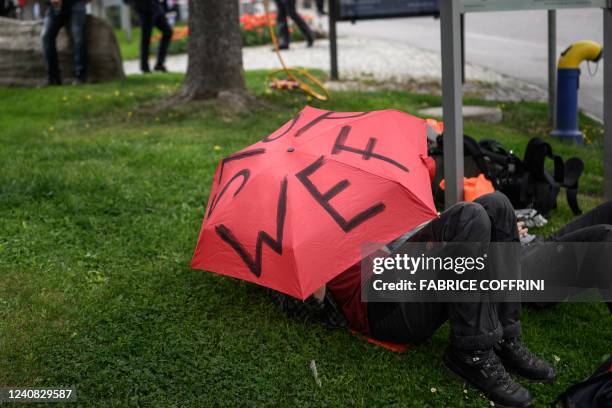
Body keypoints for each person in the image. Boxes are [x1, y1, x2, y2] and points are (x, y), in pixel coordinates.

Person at [41, 0, 88, 85]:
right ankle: (53, 77)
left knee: (78, 36)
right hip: (55, 6)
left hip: (76, 3)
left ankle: (81, 75)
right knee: (46, 35)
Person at [130, 0, 172, 73]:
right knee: (146, 38)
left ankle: (160, 63)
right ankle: (144, 66)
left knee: (167, 31)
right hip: (144, 9)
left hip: (155, 7)